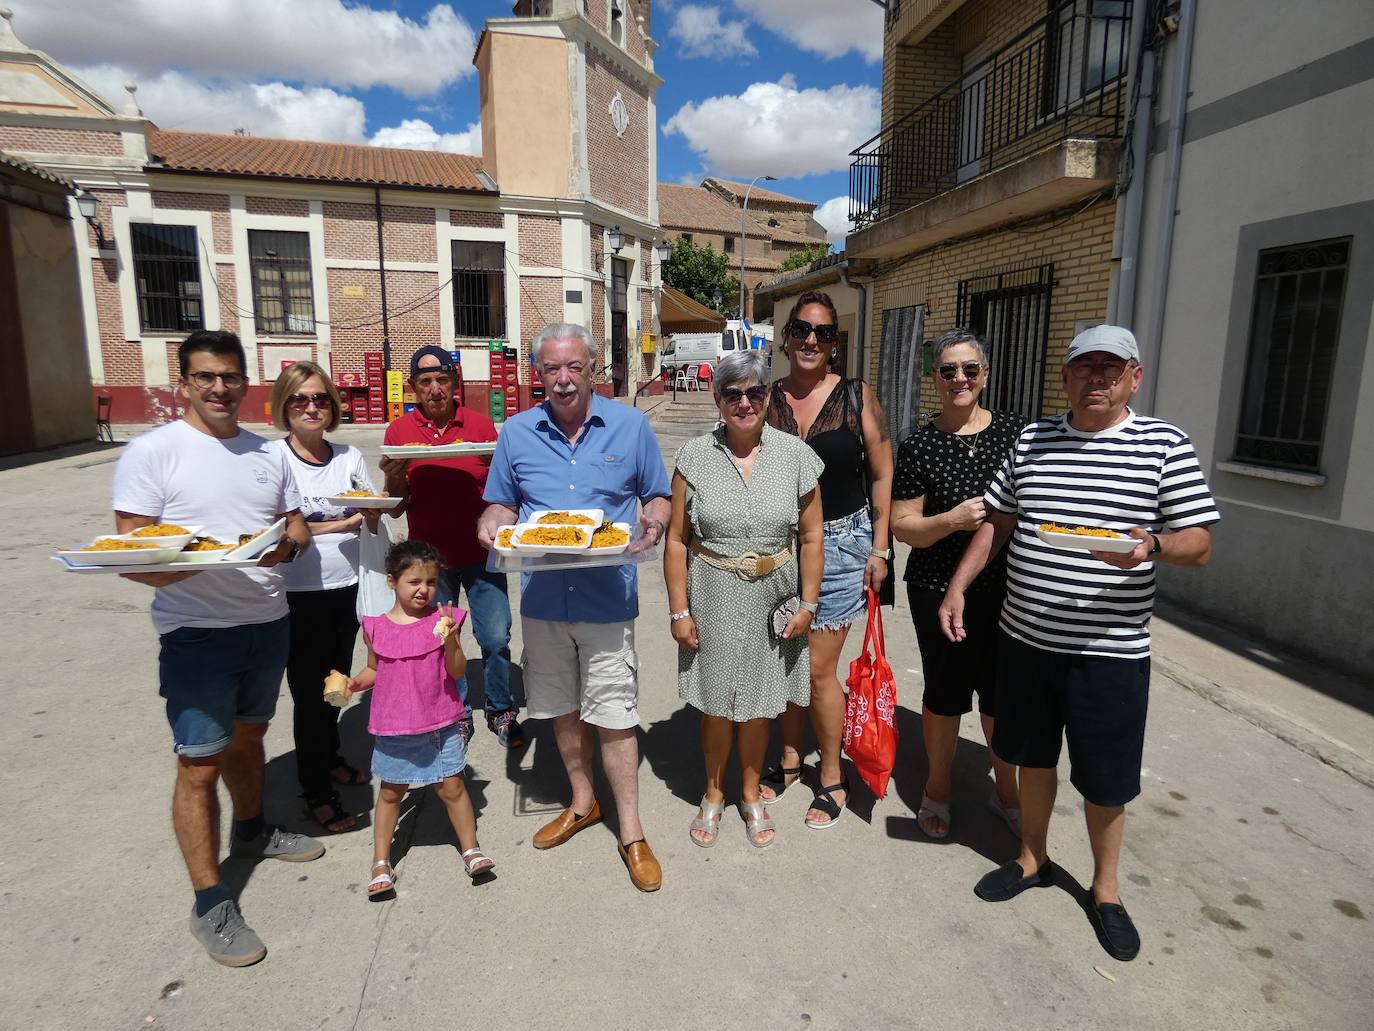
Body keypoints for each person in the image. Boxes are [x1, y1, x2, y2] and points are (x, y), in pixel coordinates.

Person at [940, 325, 1219, 962]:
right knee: (1032, 759)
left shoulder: (1163, 445)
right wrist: (958, 587)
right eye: (1084, 367)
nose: (1097, 377)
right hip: (1027, 641)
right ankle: (1032, 858)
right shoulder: (1033, 440)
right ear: (1065, 376)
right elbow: (998, 525)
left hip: (1111, 653)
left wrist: (1150, 545)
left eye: (1110, 368)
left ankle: (1107, 890)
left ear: (1134, 377)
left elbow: (1199, 542)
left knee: (1106, 778)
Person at [111, 330, 319, 968]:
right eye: (206, 377)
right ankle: (210, 902)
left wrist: (286, 544)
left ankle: (252, 830)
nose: (220, 388)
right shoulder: (153, 453)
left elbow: (294, 527)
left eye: (230, 376)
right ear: (185, 383)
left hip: (267, 623)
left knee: (251, 738)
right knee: (198, 766)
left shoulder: (268, 453)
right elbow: (131, 555)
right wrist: (211, 559)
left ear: (245, 381)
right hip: (195, 634)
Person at [477, 322, 672, 892]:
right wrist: (493, 529)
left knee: (613, 713)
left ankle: (631, 831)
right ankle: (583, 801)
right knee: (560, 708)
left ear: (591, 369)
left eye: (573, 367)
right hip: (541, 599)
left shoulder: (631, 426)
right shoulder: (515, 433)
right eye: (550, 369)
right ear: (537, 375)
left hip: (608, 595)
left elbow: (656, 494)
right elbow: (500, 504)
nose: (562, 380)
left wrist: (654, 522)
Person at [665, 350, 824, 849]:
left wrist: (809, 604)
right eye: (733, 394)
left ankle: (750, 793)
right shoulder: (694, 457)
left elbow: (813, 538)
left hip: (773, 594)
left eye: (755, 392)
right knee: (716, 703)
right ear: (718, 400)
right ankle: (713, 793)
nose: (744, 402)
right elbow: (675, 540)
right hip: (712, 590)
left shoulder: (796, 456)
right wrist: (679, 609)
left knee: (758, 706)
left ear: (768, 396)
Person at [760, 291, 894, 829]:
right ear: (787, 337)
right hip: (778, 544)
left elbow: (883, 472)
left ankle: (832, 775)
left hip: (841, 544)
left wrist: (881, 548)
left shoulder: (857, 396)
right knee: (785, 659)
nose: (812, 340)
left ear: (835, 343)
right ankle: (791, 758)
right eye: (802, 330)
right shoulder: (764, 399)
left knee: (817, 668)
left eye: (824, 333)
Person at [891, 330, 1024, 840]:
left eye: (969, 369)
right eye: (948, 371)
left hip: (1009, 586)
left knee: (998, 692)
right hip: (935, 584)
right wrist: (950, 520)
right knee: (945, 692)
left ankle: (1007, 790)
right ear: (936, 379)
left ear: (985, 375)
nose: (959, 379)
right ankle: (939, 787)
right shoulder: (921, 444)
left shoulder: (1016, 433)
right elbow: (904, 526)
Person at [380, 346, 522, 749]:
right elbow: (396, 507)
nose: (435, 389)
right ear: (414, 388)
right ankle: (456, 713)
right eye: (425, 382)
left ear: (454, 383)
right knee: (443, 638)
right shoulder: (399, 434)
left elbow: (500, 491)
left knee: (495, 637)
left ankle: (500, 708)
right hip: (429, 564)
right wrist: (395, 478)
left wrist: (494, 464)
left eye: (442, 380)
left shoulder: (480, 427)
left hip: (481, 554)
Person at [345, 540, 494, 900]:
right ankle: (381, 861)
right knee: (392, 793)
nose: (423, 590)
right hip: (395, 726)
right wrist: (353, 683)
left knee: (453, 788)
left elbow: (457, 671)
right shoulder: (376, 627)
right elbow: (373, 670)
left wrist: (451, 640)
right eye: (414, 582)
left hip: (440, 723)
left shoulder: (445, 621)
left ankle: (471, 849)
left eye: (430, 581)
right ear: (391, 582)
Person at [268, 361, 379, 835]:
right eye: (299, 399)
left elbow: (370, 511)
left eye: (319, 398)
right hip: (298, 596)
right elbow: (275, 531)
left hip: (346, 590)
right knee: (310, 698)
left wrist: (377, 505)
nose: (311, 407)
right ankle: (315, 791)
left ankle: (331, 757)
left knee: (336, 687)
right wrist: (339, 522)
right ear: (284, 406)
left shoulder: (349, 457)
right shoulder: (273, 459)